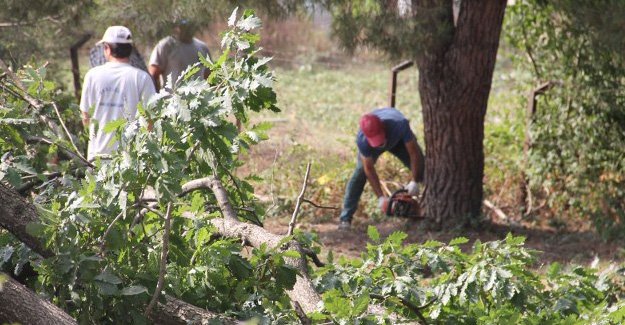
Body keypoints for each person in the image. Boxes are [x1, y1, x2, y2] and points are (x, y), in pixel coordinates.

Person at [338, 108, 425, 230]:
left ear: (383, 127)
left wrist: (415, 181)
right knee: (359, 174)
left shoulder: (400, 124)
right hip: (372, 146)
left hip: (398, 140)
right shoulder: (362, 140)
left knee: (424, 168)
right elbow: (369, 169)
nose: (379, 143)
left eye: (379, 138)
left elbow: (414, 153)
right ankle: (345, 219)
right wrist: (381, 198)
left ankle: (430, 207)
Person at [80, 26, 156, 161]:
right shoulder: (142, 78)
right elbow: (150, 121)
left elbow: (86, 117)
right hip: (131, 160)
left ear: (108, 48)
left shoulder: (92, 75)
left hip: (96, 158)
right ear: (130, 49)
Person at [148, 19, 211, 91]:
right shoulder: (166, 46)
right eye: (183, 27)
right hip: (172, 99)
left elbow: (209, 76)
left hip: (198, 99)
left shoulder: (202, 48)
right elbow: (153, 74)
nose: (186, 30)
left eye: (189, 26)